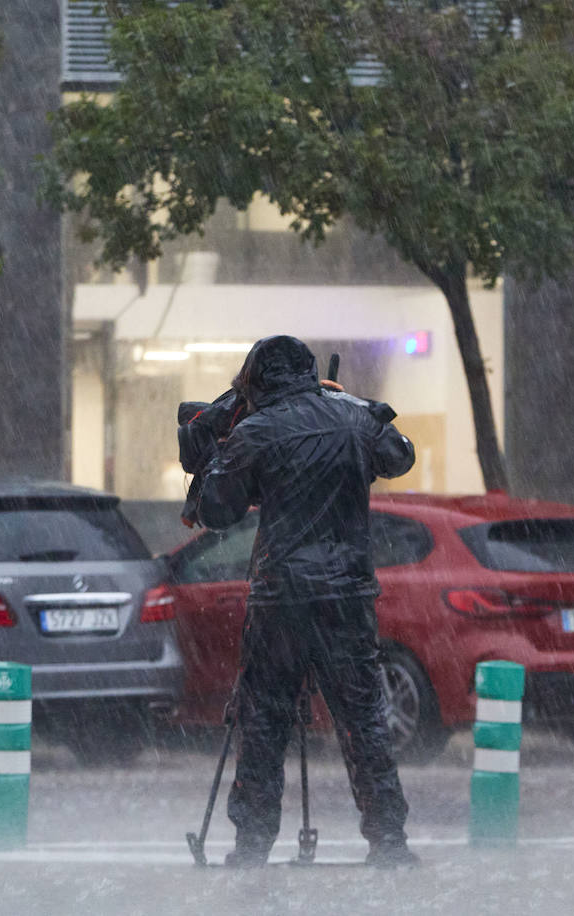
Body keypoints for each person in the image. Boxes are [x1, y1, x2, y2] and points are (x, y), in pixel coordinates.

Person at [195, 335, 419, 868]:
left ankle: (251, 847)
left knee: (266, 719)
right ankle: (389, 842)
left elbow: (215, 511)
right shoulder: (352, 420)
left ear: (257, 382)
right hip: (346, 595)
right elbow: (400, 455)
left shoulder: (255, 432)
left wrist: (211, 456)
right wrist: (352, 406)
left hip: (282, 600)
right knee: (363, 717)